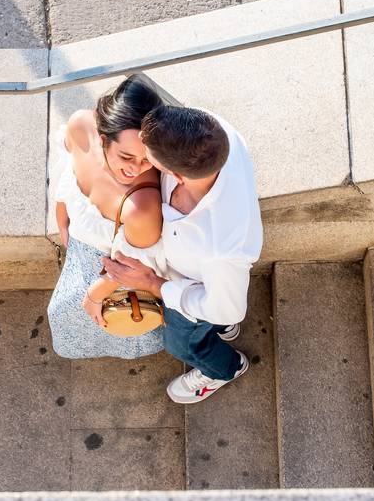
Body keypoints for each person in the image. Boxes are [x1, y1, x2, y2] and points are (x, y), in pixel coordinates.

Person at [102, 105, 262, 403]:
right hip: (206, 278)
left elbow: (229, 308)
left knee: (182, 344)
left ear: (175, 174)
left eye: (146, 153)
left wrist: (153, 285)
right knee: (217, 314)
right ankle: (220, 329)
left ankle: (224, 369)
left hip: (190, 289)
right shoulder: (211, 131)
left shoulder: (221, 249)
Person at [46, 76, 174, 359]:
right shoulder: (80, 124)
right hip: (80, 248)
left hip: (116, 272)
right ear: (103, 138)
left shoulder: (141, 206)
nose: (136, 169)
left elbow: (132, 267)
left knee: (121, 321)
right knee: (64, 313)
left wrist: (94, 295)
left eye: (147, 158)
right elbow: (67, 166)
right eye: (126, 156)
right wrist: (63, 210)